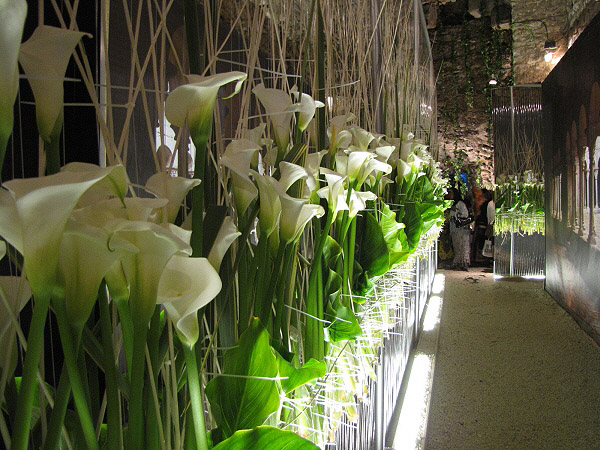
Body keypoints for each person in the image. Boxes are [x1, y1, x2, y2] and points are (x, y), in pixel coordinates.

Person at [448, 187, 472, 270]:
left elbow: (465, 215)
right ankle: (458, 263)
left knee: (462, 246)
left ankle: (462, 263)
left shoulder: (460, 204)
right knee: (457, 246)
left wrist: (456, 211)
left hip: (461, 229)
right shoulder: (452, 204)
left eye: (451, 193)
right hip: (454, 229)